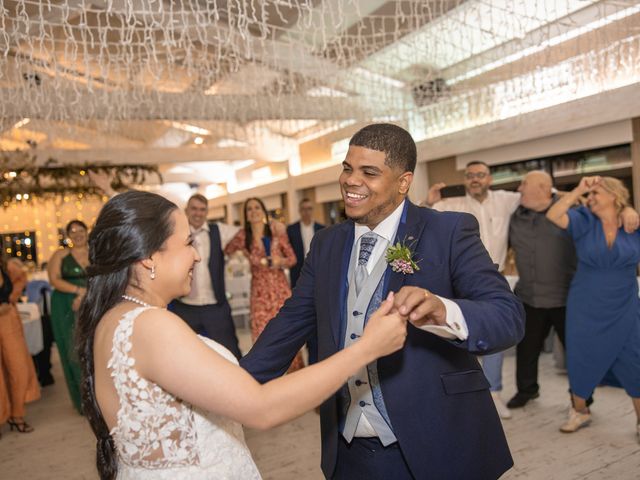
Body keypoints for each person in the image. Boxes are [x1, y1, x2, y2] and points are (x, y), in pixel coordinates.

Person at [241, 124, 525, 479]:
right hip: (348, 450)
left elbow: (507, 315)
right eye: (347, 168)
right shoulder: (327, 243)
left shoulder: (448, 231)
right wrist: (232, 386)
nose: (350, 180)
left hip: (439, 441)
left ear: (403, 182)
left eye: (369, 172)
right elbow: (290, 323)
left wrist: (444, 309)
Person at [76, 190, 408, 479]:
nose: (197, 254)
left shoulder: (115, 317)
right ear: (149, 258)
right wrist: (365, 349)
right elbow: (261, 408)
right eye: (187, 243)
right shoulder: (151, 326)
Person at [424, 160, 520, 418]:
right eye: (470, 175)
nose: (475, 179)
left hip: (493, 280)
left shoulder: (506, 200)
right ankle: (463, 394)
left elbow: (543, 195)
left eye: (480, 175)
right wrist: (428, 199)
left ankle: (494, 393)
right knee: (457, 334)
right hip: (457, 281)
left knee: (493, 335)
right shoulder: (450, 204)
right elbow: (420, 216)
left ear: (489, 178)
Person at [546, 176, 640, 439]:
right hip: (586, 302)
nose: (590, 198)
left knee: (634, 357)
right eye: (589, 195)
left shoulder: (632, 223)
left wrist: (630, 210)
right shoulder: (583, 220)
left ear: (614, 195)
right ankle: (580, 411)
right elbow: (554, 214)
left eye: (596, 193)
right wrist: (579, 189)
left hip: (624, 302)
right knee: (582, 354)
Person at [507, 171, 577, 408]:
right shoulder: (515, 216)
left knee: (576, 352)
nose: (519, 189)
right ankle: (527, 390)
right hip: (529, 296)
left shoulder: (570, 211)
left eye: (524, 184)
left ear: (543, 188)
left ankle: (581, 397)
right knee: (527, 350)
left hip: (566, 297)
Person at [225, 197, 304, 372]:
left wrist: (279, 261)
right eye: (249, 209)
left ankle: (294, 377)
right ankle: (268, 379)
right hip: (259, 292)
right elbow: (227, 250)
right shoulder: (242, 236)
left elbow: (292, 259)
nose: (253, 211)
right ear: (245, 215)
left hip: (279, 289)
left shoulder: (276, 231)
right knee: (262, 335)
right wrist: (243, 258)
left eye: (257, 208)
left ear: (263, 211)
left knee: (286, 333)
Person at [169, 194, 242, 359]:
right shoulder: (176, 233)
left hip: (214, 306)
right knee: (184, 355)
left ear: (207, 212)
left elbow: (247, 231)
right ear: (187, 210)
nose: (198, 213)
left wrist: (272, 224)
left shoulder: (219, 231)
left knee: (231, 352)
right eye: (194, 208)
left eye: (202, 209)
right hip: (185, 306)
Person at [48, 220, 88, 413]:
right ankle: (82, 400)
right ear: (68, 236)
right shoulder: (60, 255)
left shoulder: (95, 252)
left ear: (87, 232)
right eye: (73, 232)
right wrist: (79, 291)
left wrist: (87, 294)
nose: (78, 234)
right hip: (65, 303)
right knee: (72, 349)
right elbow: (54, 279)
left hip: (91, 301)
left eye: (81, 230)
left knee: (93, 348)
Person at [0, 258, 40, 435]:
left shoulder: (6, 266)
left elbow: (21, 277)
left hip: (9, 320)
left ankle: (16, 414)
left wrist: (11, 299)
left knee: (19, 368)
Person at [287, 198, 325, 289]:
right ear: (299, 211)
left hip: (317, 270)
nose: (306, 212)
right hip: (298, 271)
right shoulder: (291, 229)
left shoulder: (322, 229)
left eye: (309, 208)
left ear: (312, 210)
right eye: (303, 209)